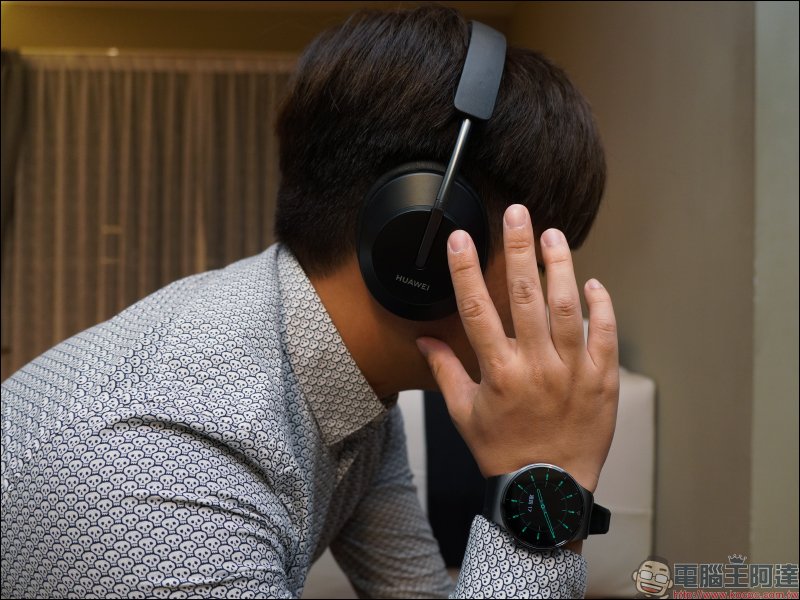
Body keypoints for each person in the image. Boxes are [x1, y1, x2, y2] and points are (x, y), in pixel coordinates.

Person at [1, 5, 618, 599]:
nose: (553, 302)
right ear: (424, 247)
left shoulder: (352, 384)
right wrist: (545, 479)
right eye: (542, 262)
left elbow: (413, 589)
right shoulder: (158, 473)